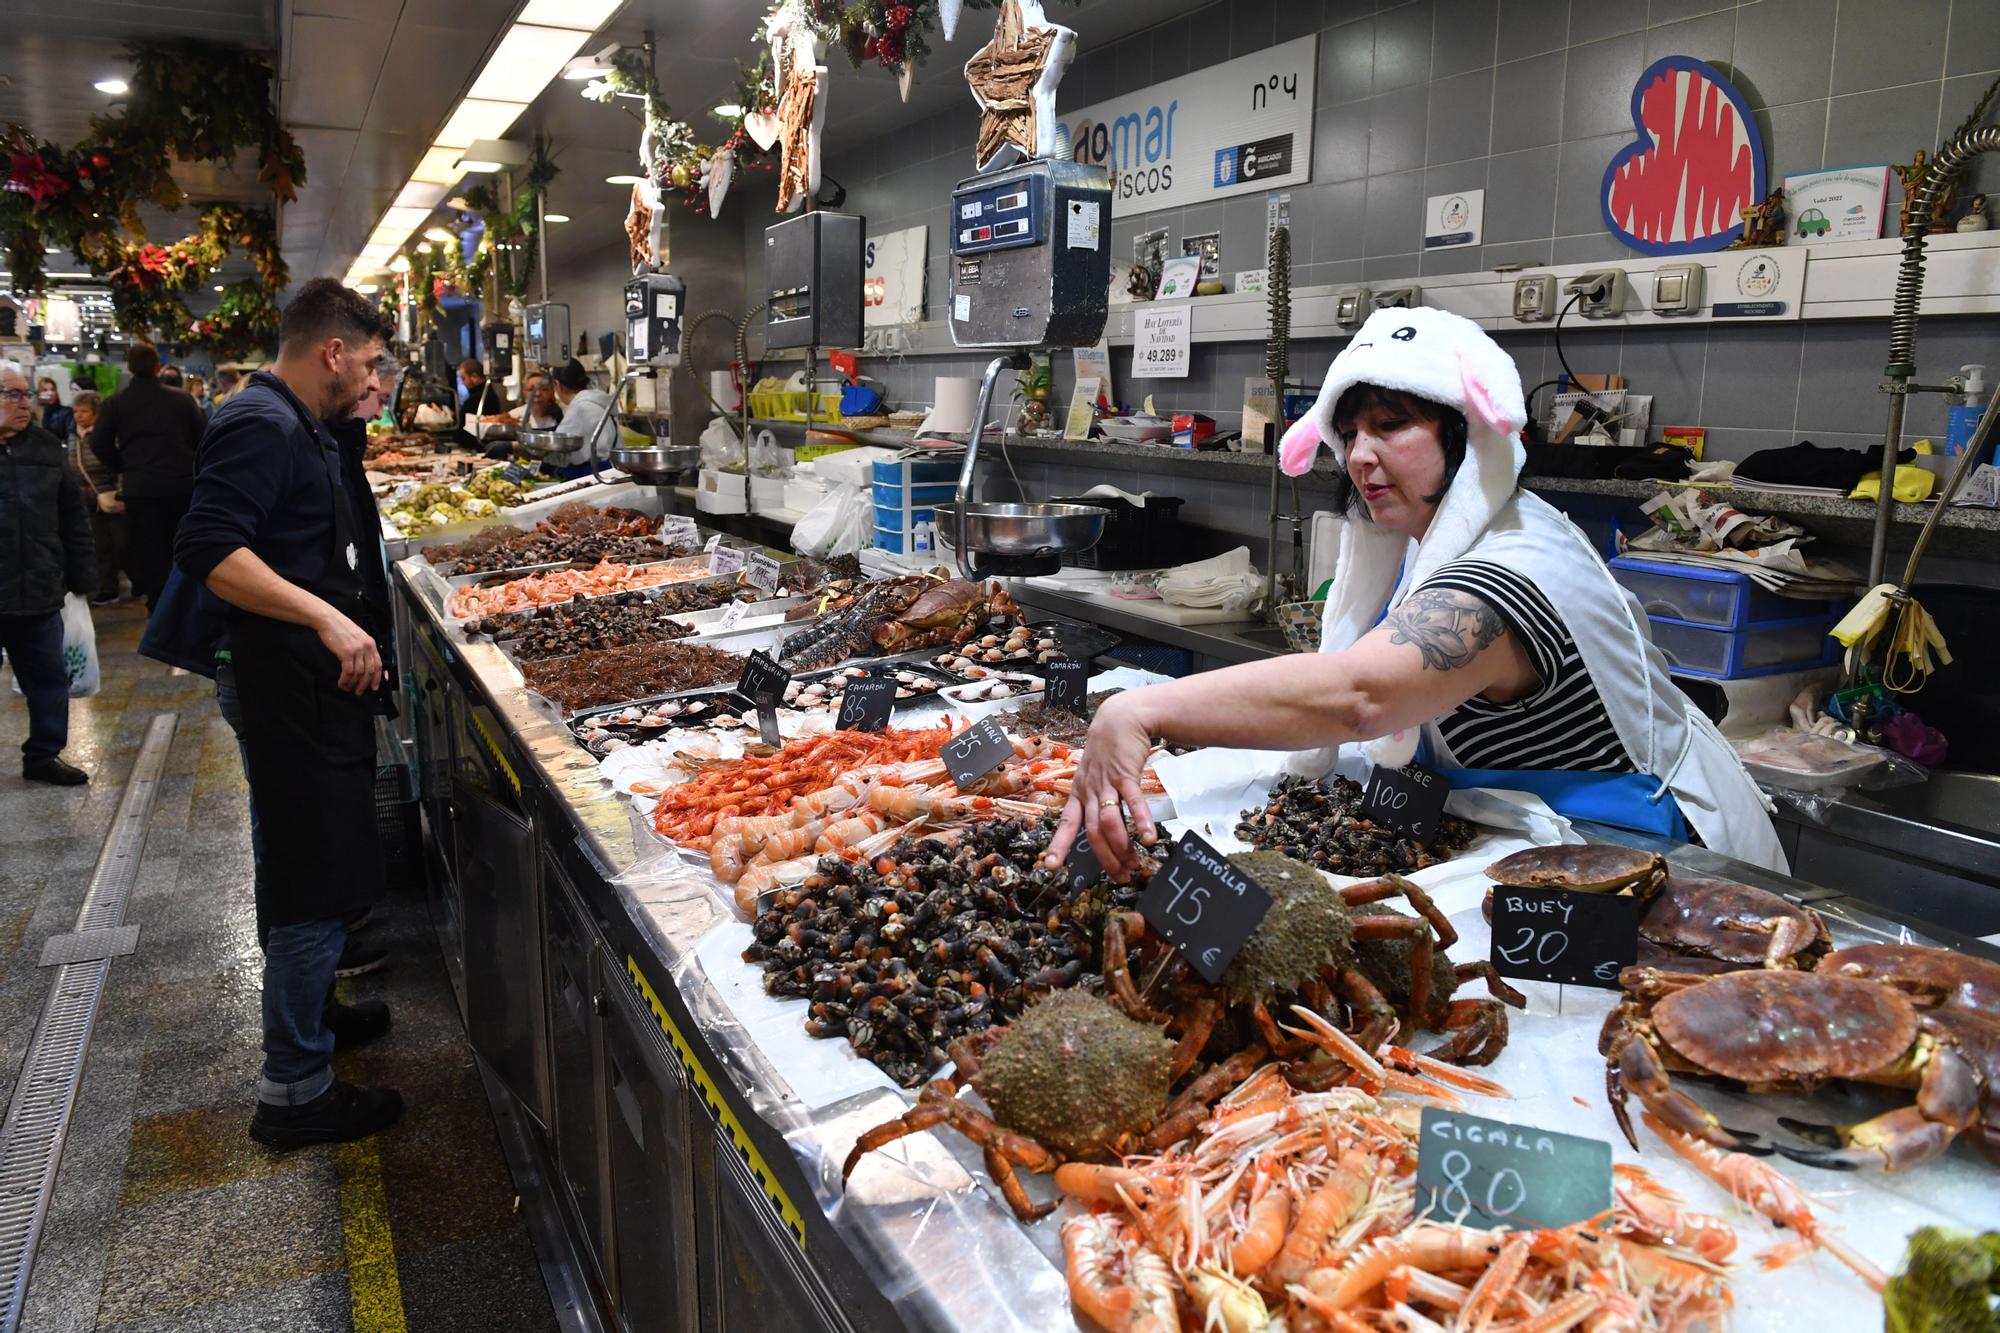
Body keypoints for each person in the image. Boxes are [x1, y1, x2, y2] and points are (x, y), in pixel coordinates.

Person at [1046, 307, 1786, 879]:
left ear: (1464, 435)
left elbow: (1360, 694)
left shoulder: (1508, 571)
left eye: (1392, 425)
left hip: (1644, 856)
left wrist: (1139, 708)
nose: (1361, 453)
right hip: (1522, 837)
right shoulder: (1425, 539)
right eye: (1349, 431)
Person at [166, 278, 403, 1149]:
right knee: (313, 872)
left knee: (308, 852)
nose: (377, 378)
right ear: (330, 352)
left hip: (308, 684)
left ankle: (316, 1016)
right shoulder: (258, 423)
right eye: (371, 363)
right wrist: (325, 614)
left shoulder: (300, 419)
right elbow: (206, 547)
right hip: (285, 682)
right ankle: (294, 1085)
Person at [0, 362, 95, 785]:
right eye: (12, 394)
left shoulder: (45, 447)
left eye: (26, 395)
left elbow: (73, 518)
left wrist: (82, 578)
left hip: (38, 587)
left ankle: (44, 754)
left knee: (48, 680)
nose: (25, 404)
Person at [89, 342, 206, 610]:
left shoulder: (116, 404)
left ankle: (159, 608)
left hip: (140, 489)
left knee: (149, 553)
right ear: (158, 366)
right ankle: (187, 605)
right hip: (181, 486)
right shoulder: (182, 400)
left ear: (129, 367)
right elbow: (204, 438)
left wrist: (122, 465)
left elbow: (98, 442)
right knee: (183, 548)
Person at [66, 391, 127, 604]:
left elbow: (120, 467)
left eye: (84, 411)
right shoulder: (73, 434)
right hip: (84, 499)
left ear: (96, 413)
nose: (78, 416)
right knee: (98, 545)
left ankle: (126, 583)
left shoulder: (106, 435)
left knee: (117, 544)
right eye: (76, 411)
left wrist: (121, 493)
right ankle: (107, 587)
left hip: (108, 497)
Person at [548, 358, 616, 477]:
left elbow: (558, 449)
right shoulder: (597, 401)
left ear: (557, 384)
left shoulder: (580, 408)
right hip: (610, 470)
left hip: (592, 476)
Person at [35, 377, 73, 443]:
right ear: (39, 394)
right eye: (45, 390)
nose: (50, 393)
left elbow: (69, 437)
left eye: (53, 389)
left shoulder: (66, 412)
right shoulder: (34, 413)